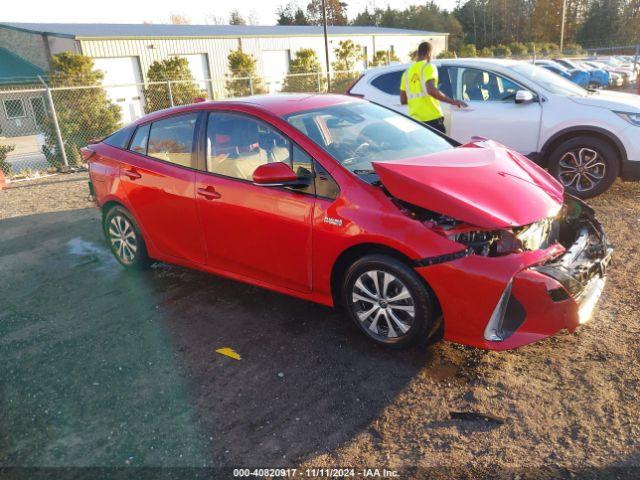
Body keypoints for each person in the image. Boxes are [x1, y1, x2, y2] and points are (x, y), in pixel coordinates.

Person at [400, 41, 467, 134]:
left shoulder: (406, 73)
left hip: (415, 121)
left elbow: (403, 100)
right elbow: (431, 90)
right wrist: (453, 101)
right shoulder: (428, 67)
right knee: (441, 147)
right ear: (428, 53)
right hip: (432, 120)